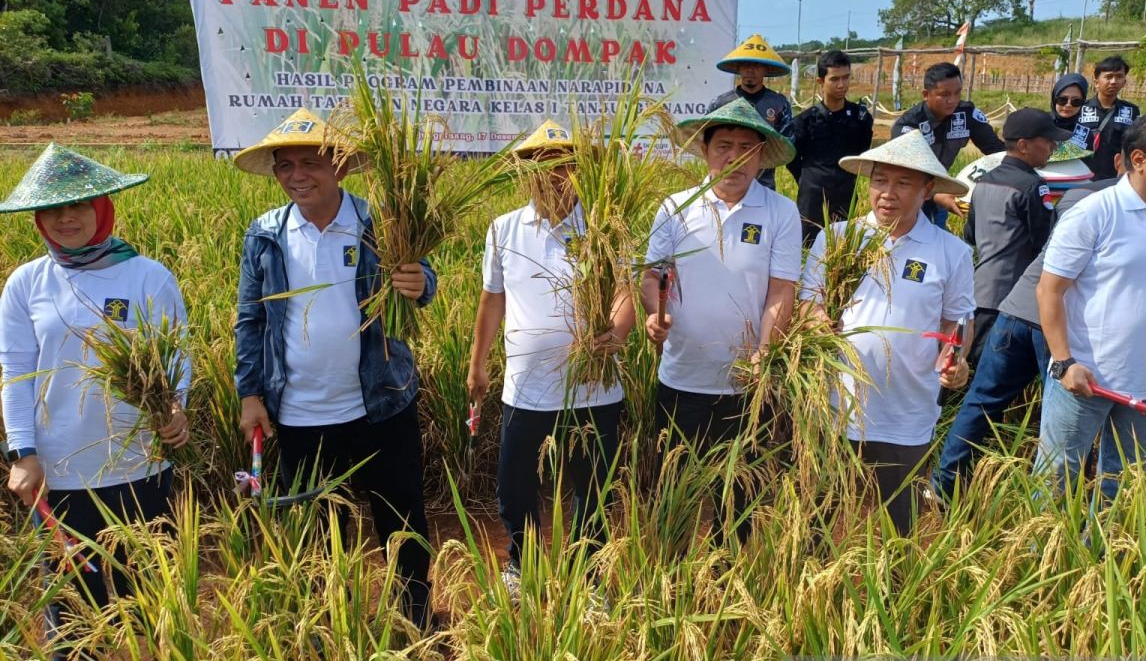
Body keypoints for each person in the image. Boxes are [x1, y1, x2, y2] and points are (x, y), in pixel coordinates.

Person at [233, 109, 435, 626]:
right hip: (300, 414)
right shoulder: (266, 234)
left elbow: (422, 279)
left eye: (309, 163)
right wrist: (249, 394)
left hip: (380, 404)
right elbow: (250, 319)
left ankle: (414, 614)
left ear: (339, 167)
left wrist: (419, 282)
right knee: (320, 533)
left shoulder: (377, 223)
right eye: (285, 166)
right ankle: (330, 625)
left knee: (401, 519)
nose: (297, 175)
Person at [0, 144, 190, 648]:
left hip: (139, 463)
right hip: (59, 471)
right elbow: (15, 370)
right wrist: (23, 452)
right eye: (54, 209)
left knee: (148, 600)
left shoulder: (147, 276)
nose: (67, 219)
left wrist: (175, 407)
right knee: (71, 608)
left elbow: (174, 360)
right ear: (39, 218)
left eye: (79, 205)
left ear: (102, 208)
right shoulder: (26, 283)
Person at [467, 120, 633, 592]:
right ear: (524, 174)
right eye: (539, 166)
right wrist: (478, 363)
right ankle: (520, 564)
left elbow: (624, 292)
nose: (552, 176)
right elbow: (492, 299)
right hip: (526, 387)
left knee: (592, 487)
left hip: (593, 387)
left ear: (580, 171)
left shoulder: (603, 226)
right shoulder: (504, 229)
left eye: (564, 165)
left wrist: (617, 330)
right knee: (515, 484)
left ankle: (590, 575)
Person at [801, 130, 974, 535]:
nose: (887, 193)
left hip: (906, 409)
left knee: (903, 521)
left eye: (902, 183)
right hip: (834, 404)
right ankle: (813, 587)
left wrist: (956, 359)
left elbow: (957, 321)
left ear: (928, 189)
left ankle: (901, 592)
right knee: (818, 516)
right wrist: (817, 320)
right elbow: (810, 301)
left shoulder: (950, 252)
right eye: (880, 180)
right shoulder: (839, 238)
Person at [646, 97, 802, 544]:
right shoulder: (674, 208)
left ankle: (728, 585)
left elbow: (781, 291)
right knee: (673, 489)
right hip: (681, 377)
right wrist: (654, 315)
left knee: (737, 495)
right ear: (706, 150)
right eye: (724, 146)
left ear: (761, 156)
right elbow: (652, 274)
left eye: (747, 148)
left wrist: (764, 354)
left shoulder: (780, 212)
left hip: (745, 383)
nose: (735, 157)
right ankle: (669, 580)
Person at [933, 152, 1121, 500]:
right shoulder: (1122, 209)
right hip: (1052, 323)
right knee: (1059, 418)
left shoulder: (1078, 198)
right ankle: (1046, 513)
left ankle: (943, 485)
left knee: (982, 400)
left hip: (1013, 310)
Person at [1036, 112, 1146, 503]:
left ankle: (1106, 558)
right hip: (1086, 378)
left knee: (1126, 485)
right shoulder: (1094, 213)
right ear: (1139, 159)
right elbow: (1049, 291)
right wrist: (1063, 362)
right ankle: (1036, 558)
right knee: (1056, 478)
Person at [963, 109, 1073, 366]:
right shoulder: (1032, 186)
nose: (1053, 147)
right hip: (1010, 297)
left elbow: (970, 234)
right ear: (1024, 145)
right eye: (1047, 141)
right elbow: (1045, 243)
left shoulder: (985, 181)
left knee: (967, 368)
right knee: (991, 373)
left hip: (980, 290)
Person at [891, 62, 1004, 226]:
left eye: (957, 93)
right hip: (907, 196)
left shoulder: (967, 114)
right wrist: (937, 194)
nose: (952, 100)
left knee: (939, 237)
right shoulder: (909, 125)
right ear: (925, 94)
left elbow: (995, 149)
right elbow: (907, 172)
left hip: (940, 191)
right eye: (944, 95)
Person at [787, 49, 874, 244]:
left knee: (843, 251)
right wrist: (809, 179)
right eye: (835, 79)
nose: (841, 84)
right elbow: (792, 159)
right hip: (812, 199)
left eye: (846, 78)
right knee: (807, 251)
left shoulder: (860, 118)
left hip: (846, 196)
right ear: (821, 82)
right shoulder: (804, 121)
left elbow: (862, 152)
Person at [709, 33, 795, 192]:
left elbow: (787, 144)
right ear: (738, 68)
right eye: (745, 64)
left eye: (756, 64)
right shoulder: (720, 103)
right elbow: (707, 140)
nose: (750, 70)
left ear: (766, 69)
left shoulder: (779, 104)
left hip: (764, 185)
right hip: (726, 182)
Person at [1078, 55, 1141, 181]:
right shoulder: (1080, 109)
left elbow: (1135, 144)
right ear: (1096, 82)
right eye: (1108, 77)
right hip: (1082, 177)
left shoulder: (1131, 111)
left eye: (1119, 76)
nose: (1113, 81)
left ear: (1124, 81)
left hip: (1115, 179)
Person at [1051, 72, 1090, 146]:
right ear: (1054, 99)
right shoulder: (1040, 125)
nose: (1068, 105)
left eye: (1076, 101)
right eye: (1062, 100)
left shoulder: (1086, 130)